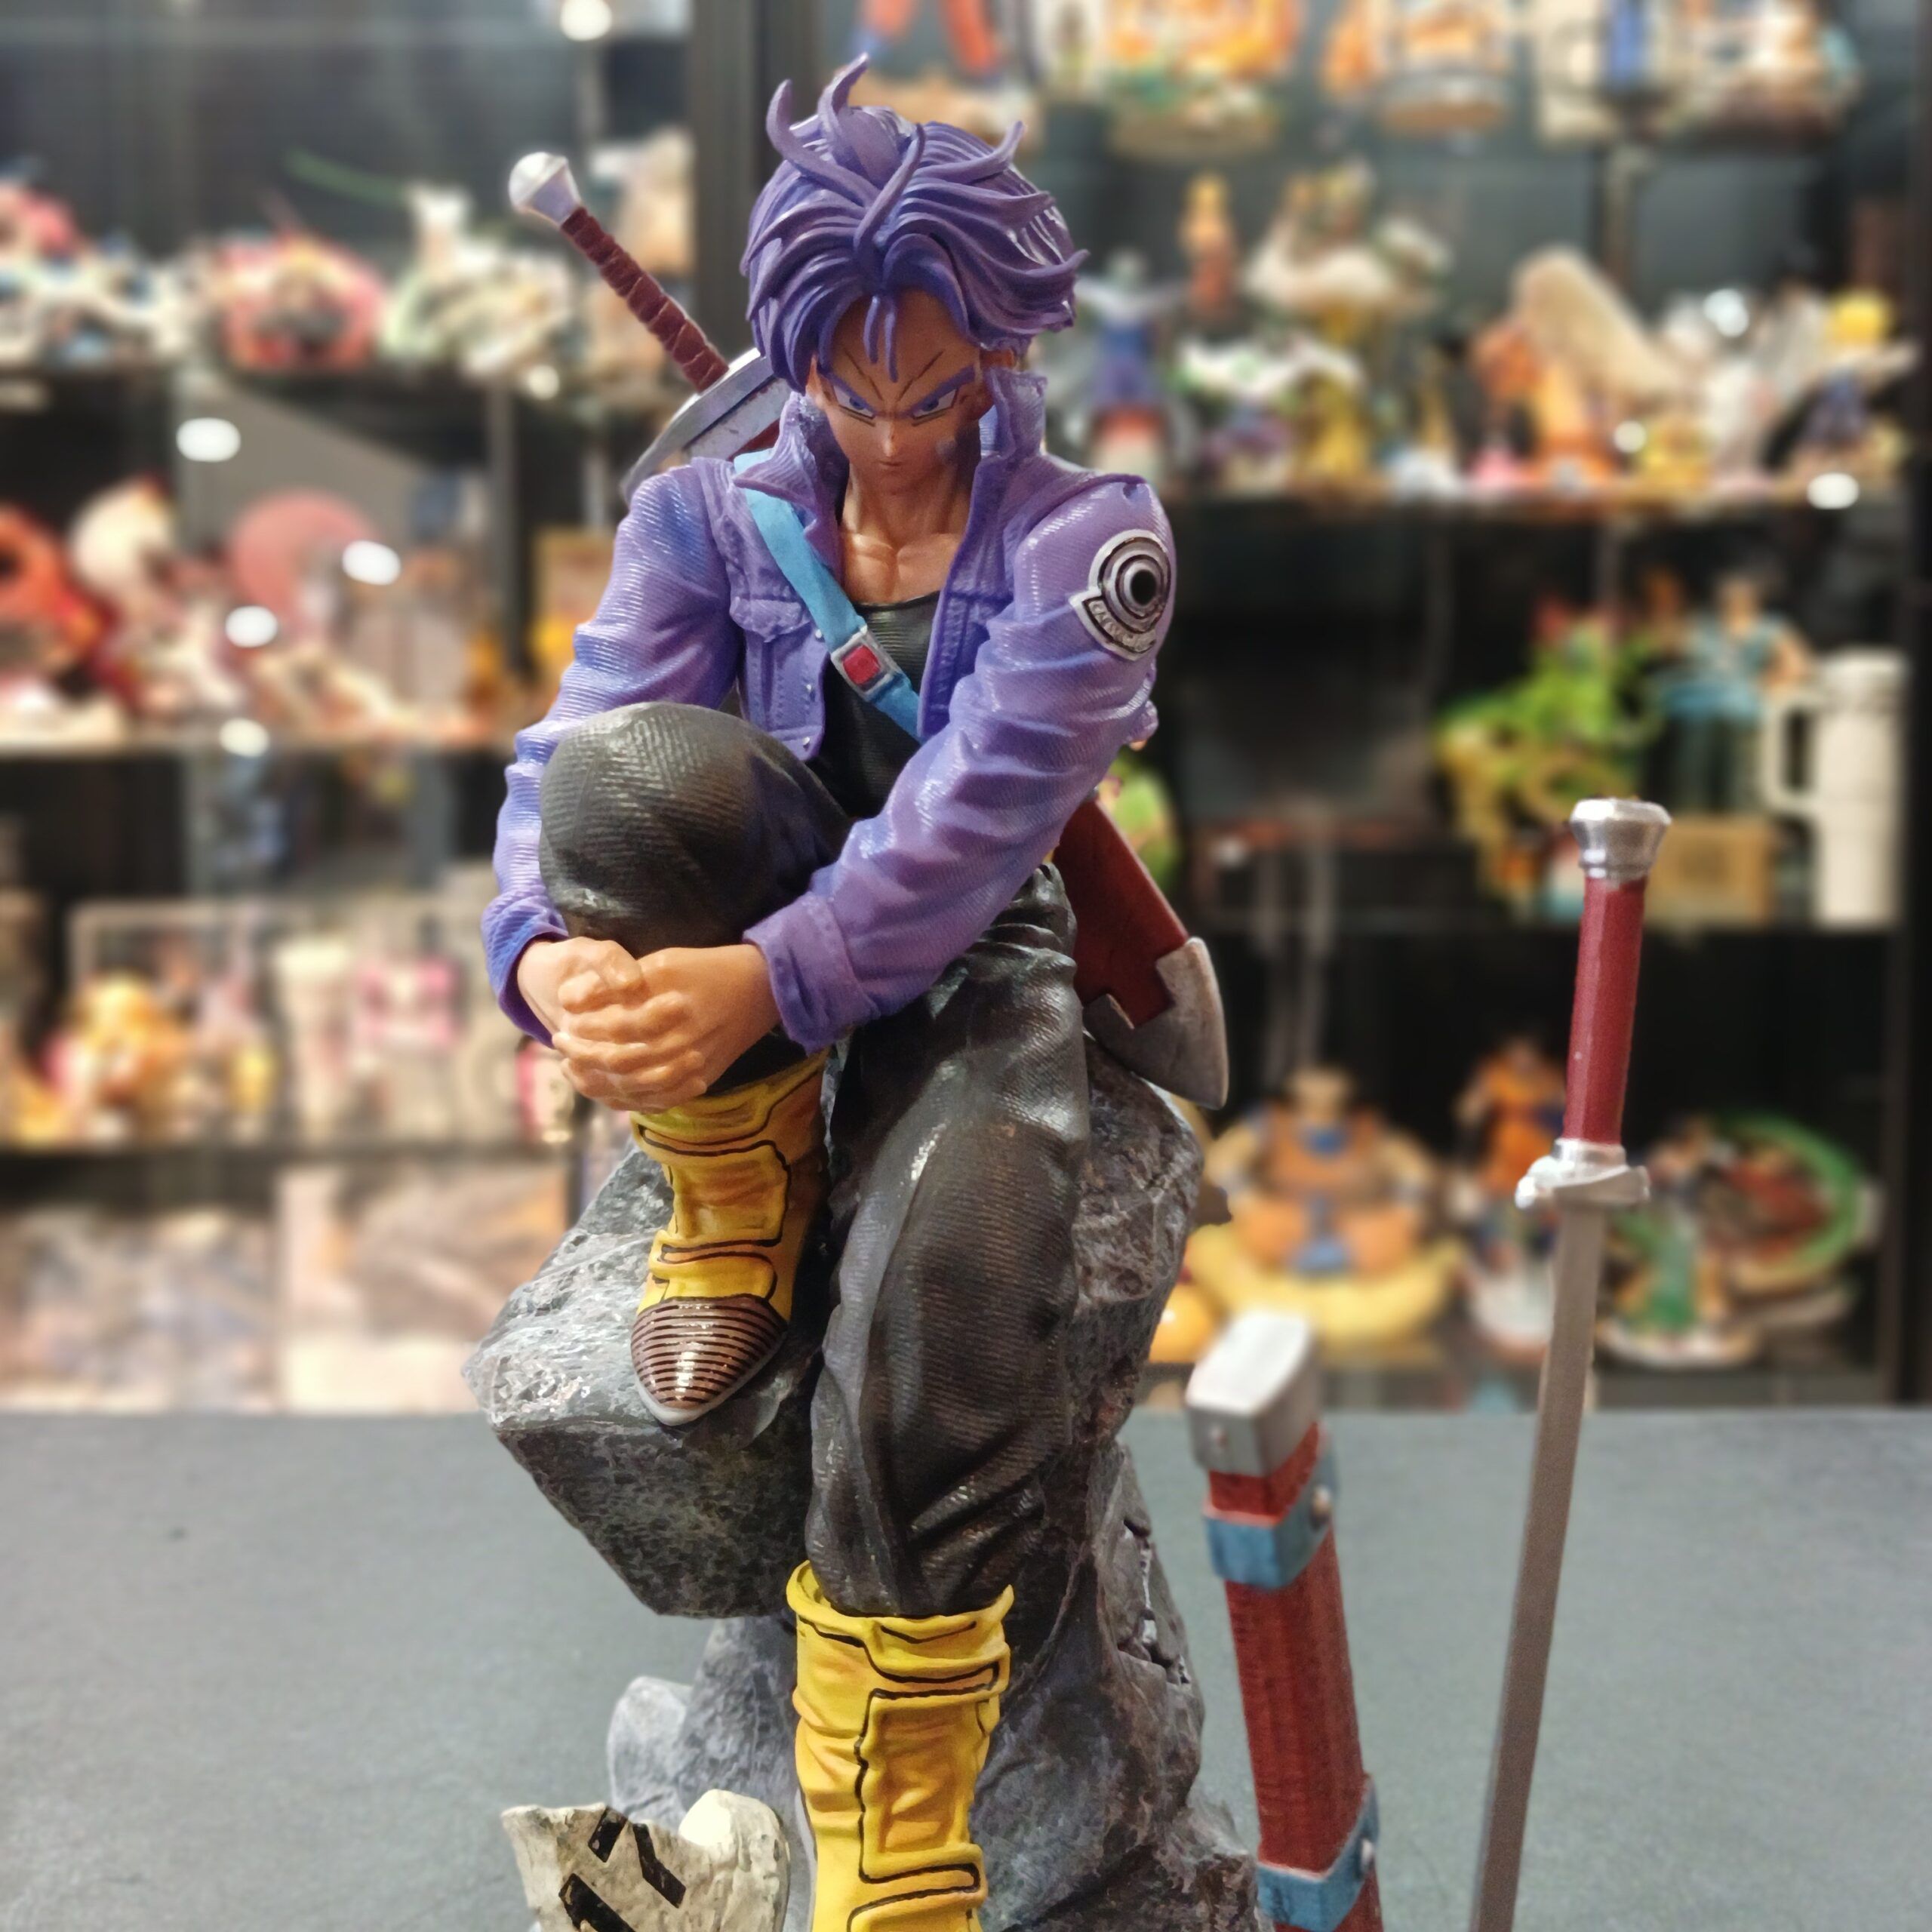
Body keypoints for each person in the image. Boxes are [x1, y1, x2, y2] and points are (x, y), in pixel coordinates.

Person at [481, 60, 1173, 1932]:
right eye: (848, 390)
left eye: (933, 389)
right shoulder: (708, 514)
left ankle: (895, 1862)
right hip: (759, 902)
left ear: (1001, 350)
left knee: (952, 1285)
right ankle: (733, 1192)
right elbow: (576, 749)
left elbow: (968, 829)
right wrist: (544, 952)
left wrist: (758, 984)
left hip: (970, 954)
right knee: (633, 788)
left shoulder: (1083, 545)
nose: (890, 435)